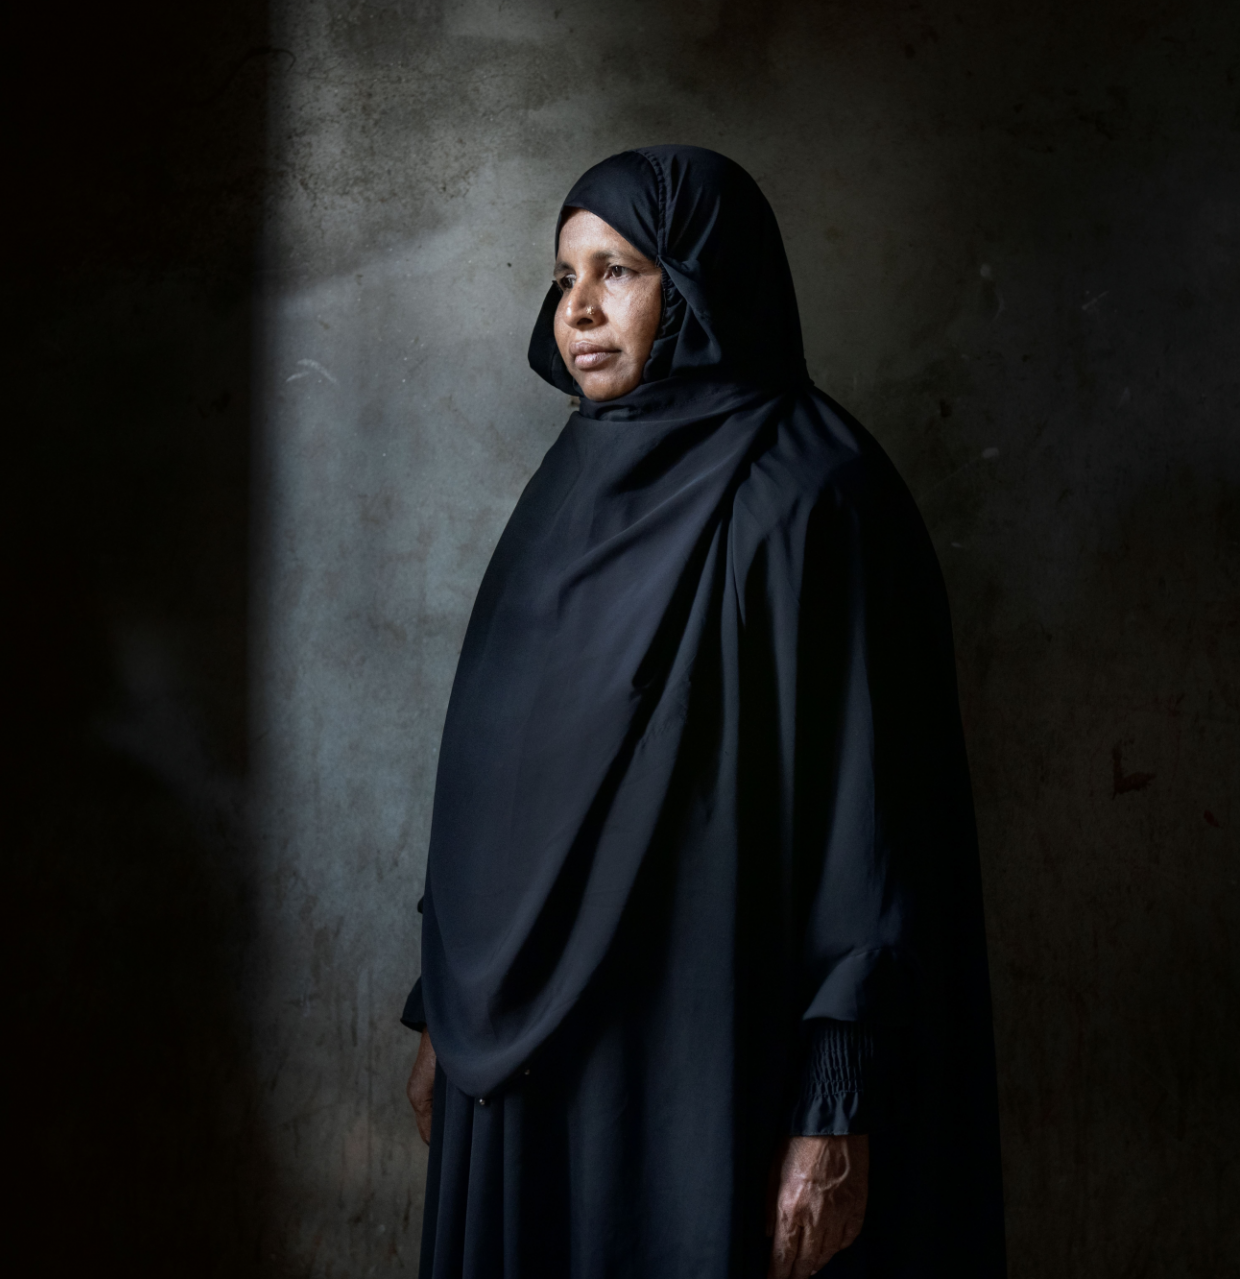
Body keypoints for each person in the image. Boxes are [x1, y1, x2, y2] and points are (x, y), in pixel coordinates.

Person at [400, 146, 1004, 1279]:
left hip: (708, 1054)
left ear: (702, 282)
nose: (578, 308)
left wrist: (834, 1108)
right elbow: (498, 780)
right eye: (565, 275)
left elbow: (874, 828)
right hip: (529, 1061)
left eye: (619, 270)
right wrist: (449, 1006)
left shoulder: (816, 494)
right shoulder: (567, 487)